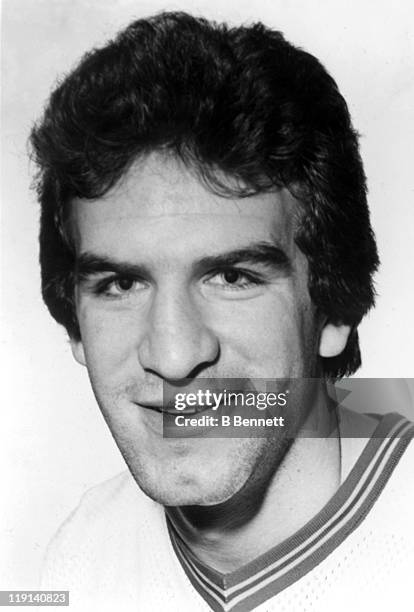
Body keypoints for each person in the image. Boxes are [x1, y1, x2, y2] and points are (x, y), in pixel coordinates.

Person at [30, 11, 413, 612]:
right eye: (121, 283)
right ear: (75, 324)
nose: (175, 357)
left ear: (335, 308)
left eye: (233, 277)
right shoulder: (79, 555)